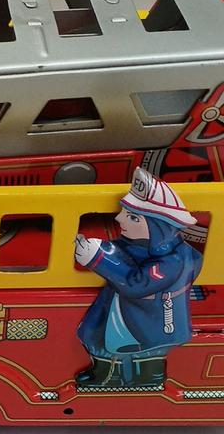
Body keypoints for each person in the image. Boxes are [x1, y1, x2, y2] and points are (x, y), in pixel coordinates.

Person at [74, 167, 202, 390]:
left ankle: (148, 380)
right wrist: (101, 250)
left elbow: (137, 283)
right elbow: (125, 253)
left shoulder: (173, 261)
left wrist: (98, 258)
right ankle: (107, 374)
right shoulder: (143, 245)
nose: (118, 218)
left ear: (157, 227)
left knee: (148, 352)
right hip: (125, 309)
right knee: (100, 337)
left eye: (132, 217)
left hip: (152, 317)